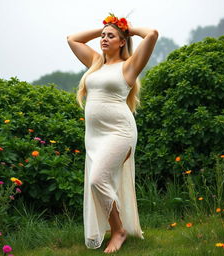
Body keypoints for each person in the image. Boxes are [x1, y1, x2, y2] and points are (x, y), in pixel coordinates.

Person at [67, 14, 158, 254]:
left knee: (98, 179)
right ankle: (115, 226)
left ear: (122, 41)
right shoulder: (96, 62)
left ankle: (118, 230)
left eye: (111, 36)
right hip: (94, 136)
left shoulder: (129, 66)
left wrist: (126, 29)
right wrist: (105, 29)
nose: (104, 39)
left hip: (120, 132)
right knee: (100, 181)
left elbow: (152, 34)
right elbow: (72, 39)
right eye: (103, 36)